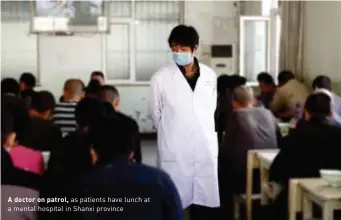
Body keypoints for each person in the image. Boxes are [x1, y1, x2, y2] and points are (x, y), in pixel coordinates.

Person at [148, 24, 220, 219]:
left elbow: (210, 109)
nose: (178, 53)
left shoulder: (209, 76)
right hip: (175, 146)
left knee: (203, 203)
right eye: (174, 49)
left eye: (183, 49)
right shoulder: (161, 78)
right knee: (174, 203)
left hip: (204, 145)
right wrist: (172, 130)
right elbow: (155, 112)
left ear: (195, 48)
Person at [269, 93, 341, 220]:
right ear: (331, 114)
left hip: (297, 199)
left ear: (306, 113)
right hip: (336, 200)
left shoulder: (297, 135)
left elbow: (277, 169)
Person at [219, 85, 281, 219]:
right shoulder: (268, 113)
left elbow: (227, 149)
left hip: (244, 179)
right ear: (253, 100)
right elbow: (279, 138)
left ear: (234, 102)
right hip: (269, 174)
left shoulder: (236, 116)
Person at [99, 85, 142, 163]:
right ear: (117, 102)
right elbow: (137, 156)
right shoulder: (130, 123)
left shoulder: (93, 122)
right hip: (126, 168)